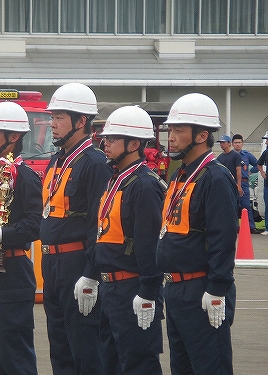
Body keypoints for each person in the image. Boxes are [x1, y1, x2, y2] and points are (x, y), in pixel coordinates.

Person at [156, 93, 237, 375]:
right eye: (170, 130)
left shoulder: (214, 177)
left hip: (201, 290)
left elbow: (223, 238)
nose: (171, 137)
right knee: (182, 368)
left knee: (209, 367)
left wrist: (217, 289)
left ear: (202, 135)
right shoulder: (181, 176)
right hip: (176, 289)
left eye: (179, 130)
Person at [40, 82, 112, 374]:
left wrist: (91, 275)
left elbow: (99, 224)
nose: (52, 124)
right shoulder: (57, 160)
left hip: (76, 262)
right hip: (51, 262)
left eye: (59, 117)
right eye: (52, 117)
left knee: (85, 347)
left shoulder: (95, 163)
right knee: (59, 347)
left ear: (81, 121)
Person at [88, 106, 166, 374]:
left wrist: (148, 292)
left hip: (132, 288)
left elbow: (148, 245)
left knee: (138, 363)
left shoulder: (143, 185)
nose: (105, 143)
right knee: (110, 362)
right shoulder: (117, 180)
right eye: (105, 138)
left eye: (112, 139)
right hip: (111, 288)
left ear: (134, 144)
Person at [0, 101, 42, 375]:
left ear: (14, 137)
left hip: (13, 270)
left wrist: (6, 234)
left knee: (14, 353)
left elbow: (35, 225)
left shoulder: (25, 177)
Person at [232, 133, 262, 234]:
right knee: (233, 206)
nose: (237, 145)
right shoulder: (229, 155)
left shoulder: (247, 155)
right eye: (235, 143)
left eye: (239, 142)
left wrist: (250, 172)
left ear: (242, 144)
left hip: (244, 183)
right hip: (232, 184)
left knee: (246, 206)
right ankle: (234, 227)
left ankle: (251, 227)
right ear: (232, 144)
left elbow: (258, 164)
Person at [256, 132, 268, 235]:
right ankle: (267, 228)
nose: (266, 142)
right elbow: (259, 164)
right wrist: (263, 173)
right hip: (267, 184)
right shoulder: (266, 152)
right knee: (267, 206)